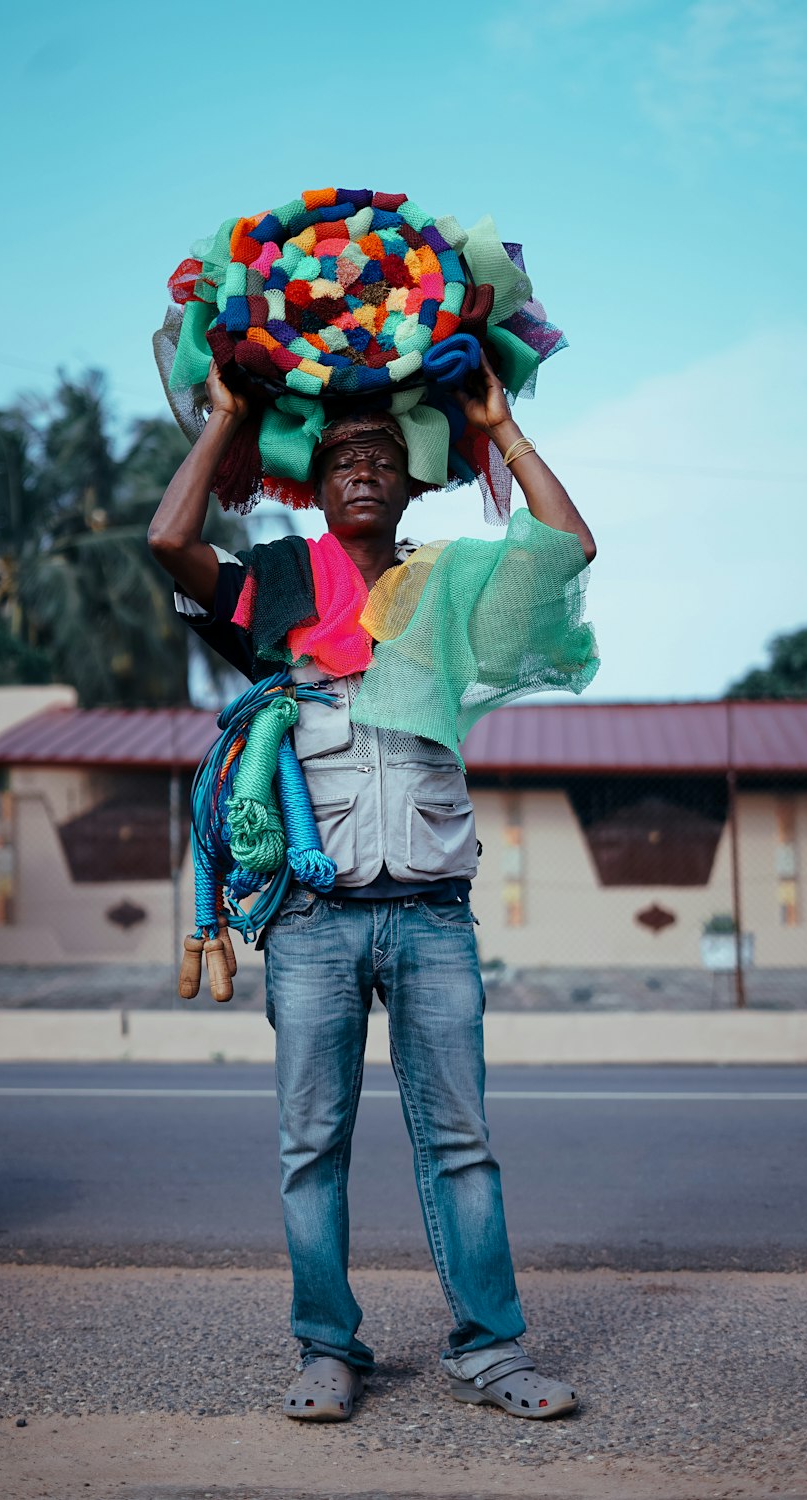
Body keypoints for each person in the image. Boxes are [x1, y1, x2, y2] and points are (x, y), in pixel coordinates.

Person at [148, 351, 596, 1423]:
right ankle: (326, 1351)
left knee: (462, 1146)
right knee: (313, 1145)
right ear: (315, 480)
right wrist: (224, 417)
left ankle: (490, 1349)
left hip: (434, 918)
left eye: (382, 457)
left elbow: (565, 548)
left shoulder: (446, 587)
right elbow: (169, 541)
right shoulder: (283, 585)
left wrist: (500, 424)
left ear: (410, 482)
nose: (361, 469)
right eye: (342, 456)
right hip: (310, 922)